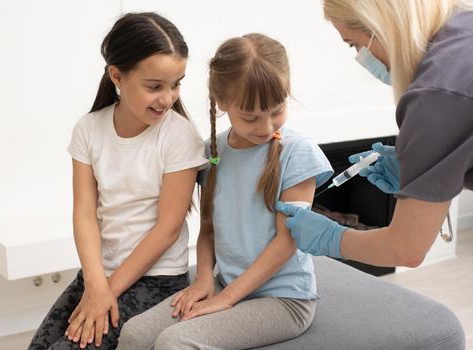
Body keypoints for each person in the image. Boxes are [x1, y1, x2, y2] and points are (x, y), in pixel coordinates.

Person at [117, 33, 333, 350]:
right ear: (221, 102)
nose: (267, 126)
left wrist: (227, 299)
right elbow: (208, 229)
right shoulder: (213, 152)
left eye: (277, 110)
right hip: (224, 283)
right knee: (135, 335)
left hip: (285, 299)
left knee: (175, 343)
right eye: (250, 116)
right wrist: (205, 278)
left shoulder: (298, 153)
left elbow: (286, 242)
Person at [28, 12, 208, 350]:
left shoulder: (180, 136)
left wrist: (107, 291)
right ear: (117, 76)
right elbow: (84, 214)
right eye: (155, 86)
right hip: (98, 275)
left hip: (157, 281)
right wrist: (95, 282)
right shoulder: (88, 129)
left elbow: (167, 228)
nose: (168, 98)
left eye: (176, 84)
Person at [276, 0, 473, 268]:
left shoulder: (434, 94)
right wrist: (426, 174)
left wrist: (333, 237)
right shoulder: (463, 28)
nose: (359, 57)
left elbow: (406, 249)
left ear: (379, 26)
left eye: (353, 44)